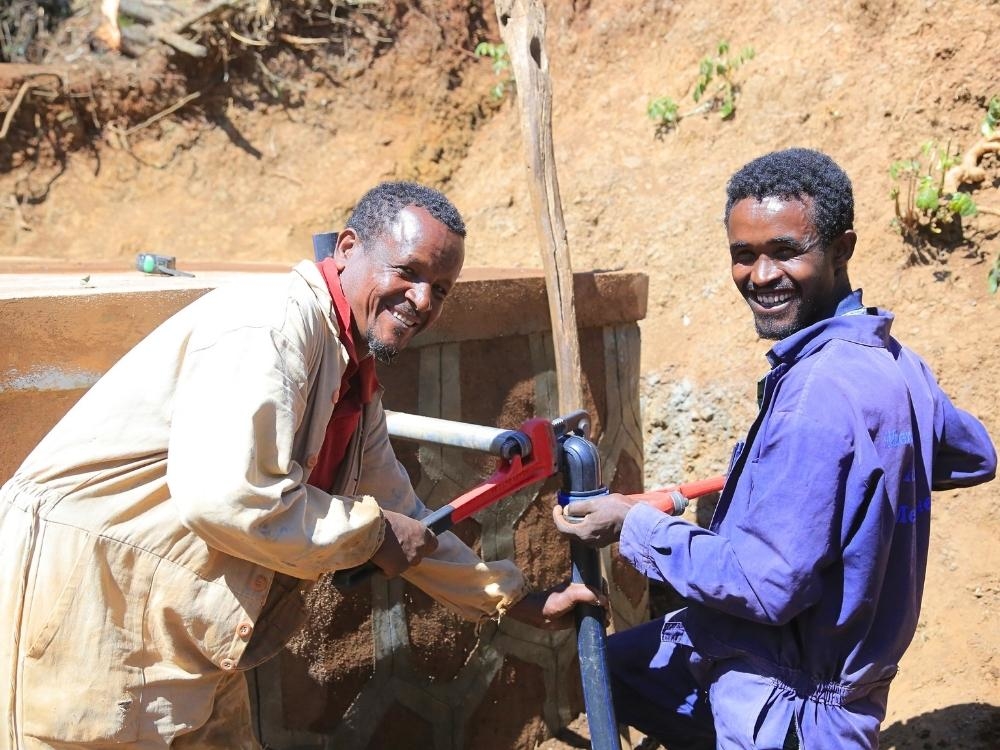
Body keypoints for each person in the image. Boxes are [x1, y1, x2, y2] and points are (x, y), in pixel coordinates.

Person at [0, 181, 600, 749]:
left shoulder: (349, 370)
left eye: (440, 288)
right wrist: (371, 536)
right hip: (90, 607)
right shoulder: (269, 328)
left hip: (178, 632)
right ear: (347, 249)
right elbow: (229, 498)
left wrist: (512, 599)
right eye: (408, 272)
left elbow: (408, 517)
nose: (422, 300)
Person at [553, 149, 996, 749]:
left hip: (790, 702)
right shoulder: (894, 363)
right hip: (837, 674)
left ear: (841, 249)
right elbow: (974, 455)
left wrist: (633, 524)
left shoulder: (815, 395)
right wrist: (859, 489)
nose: (761, 276)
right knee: (615, 667)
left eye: (785, 251)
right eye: (744, 255)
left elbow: (765, 586)